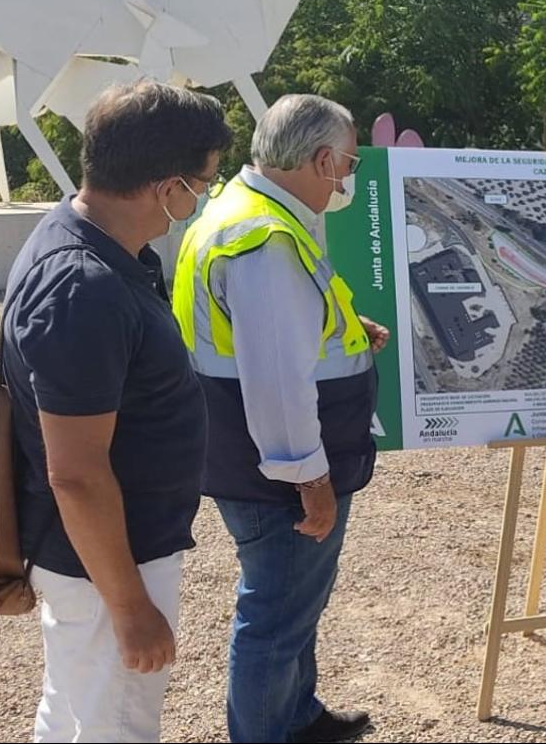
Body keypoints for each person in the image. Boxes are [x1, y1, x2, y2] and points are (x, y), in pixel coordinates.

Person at [0, 80, 231, 742]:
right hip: (108, 563)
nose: (202, 197)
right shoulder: (83, 288)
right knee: (115, 728)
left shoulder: (94, 241)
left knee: (72, 711)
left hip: (97, 555)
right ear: (167, 186)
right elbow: (75, 471)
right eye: (202, 182)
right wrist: (130, 607)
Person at [172, 94, 388, 743]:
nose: (345, 180)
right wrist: (309, 478)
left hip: (246, 452)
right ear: (322, 160)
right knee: (275, 616)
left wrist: (349, 327)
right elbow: (275, 379)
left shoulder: (244, 212)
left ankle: (297, 717)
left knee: (294, 604)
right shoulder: (264, 239)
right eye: (345, 165)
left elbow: (276, 332)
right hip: (274, 468)